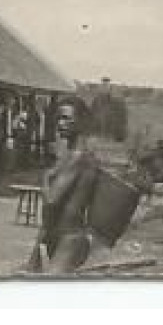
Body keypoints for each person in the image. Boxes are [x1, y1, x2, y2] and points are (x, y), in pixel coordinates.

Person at [31, 102, 103, 274]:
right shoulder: (70, 156)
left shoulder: (77, 158)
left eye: (66, 118)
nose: (59, 123)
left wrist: (46, 177)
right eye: (59, 118)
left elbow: (51, 200)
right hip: (56, 236)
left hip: (69, 239)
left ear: (81, 123)